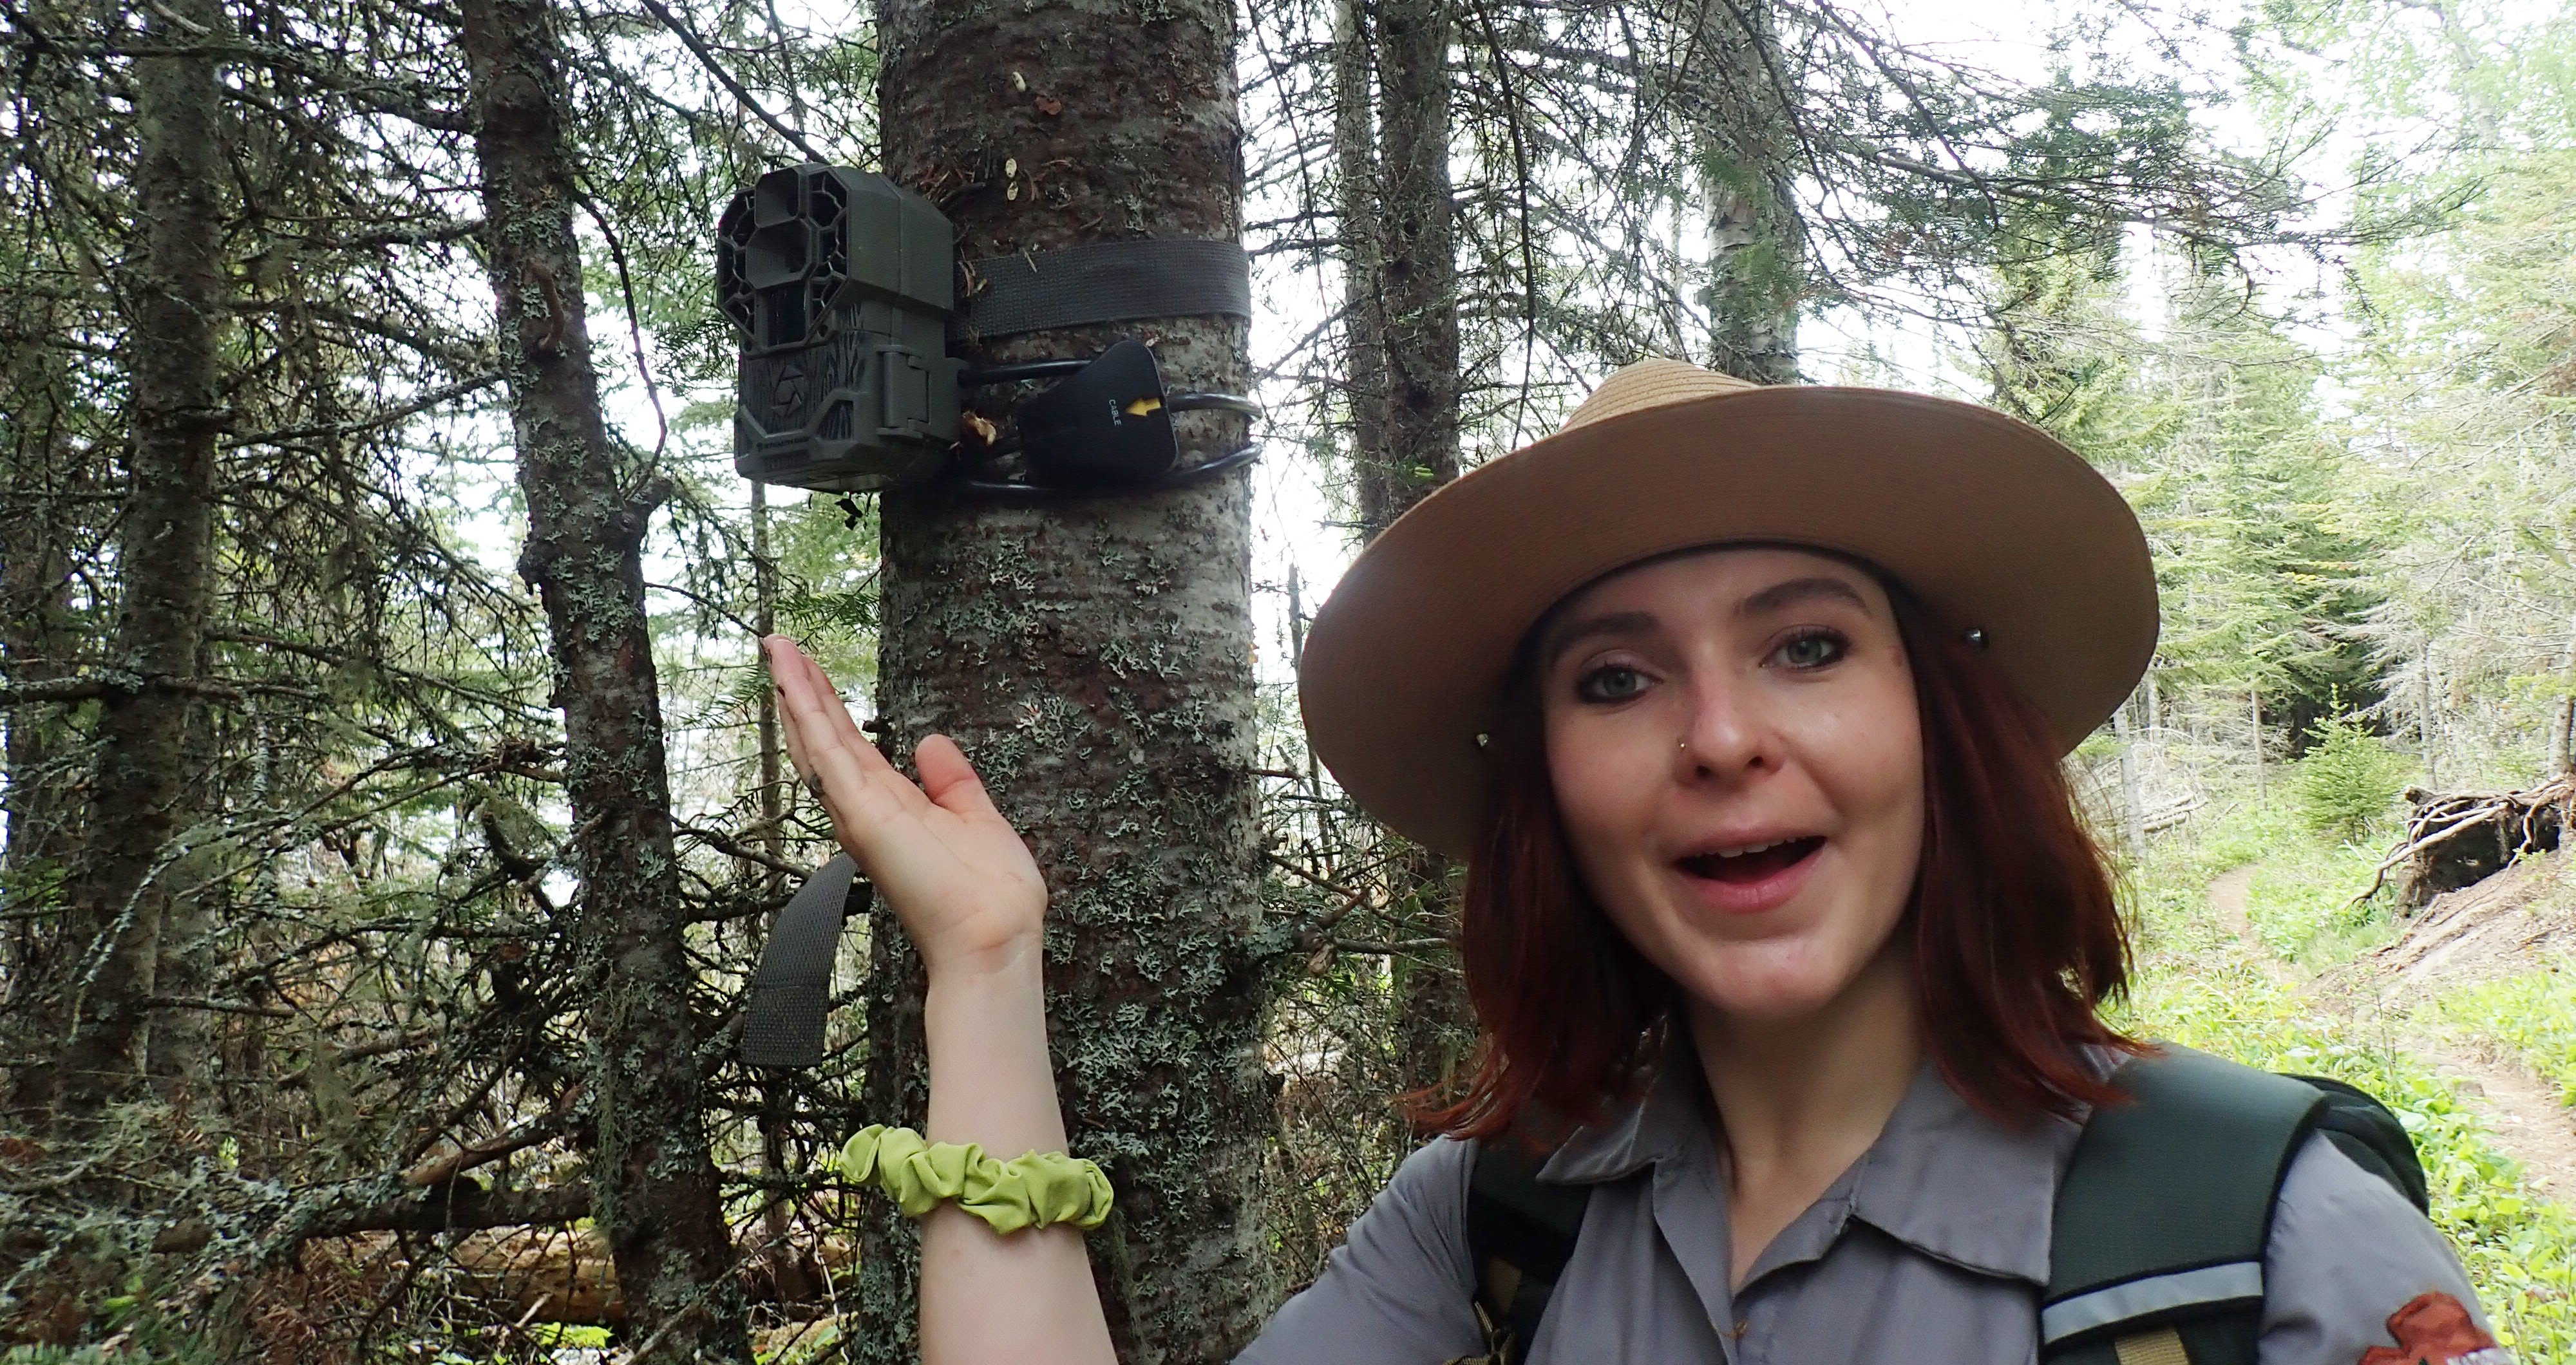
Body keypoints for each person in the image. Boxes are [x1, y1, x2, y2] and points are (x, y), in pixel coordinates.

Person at [765, 360, 2505, 1365]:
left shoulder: (2257, 1243)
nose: (1722, 736)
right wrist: (986, 967)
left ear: (1941, 732)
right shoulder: (1493, 1225)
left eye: (1809, 646)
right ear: (1548, 795)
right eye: (1614, 679)